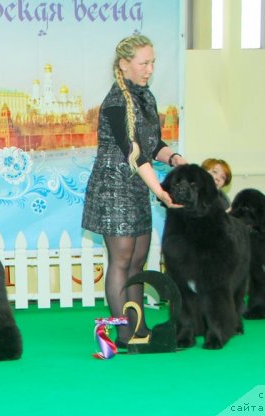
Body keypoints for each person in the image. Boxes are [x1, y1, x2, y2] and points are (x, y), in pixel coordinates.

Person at [81, 34, 187, 347]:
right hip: (114, 188)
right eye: (143, 63)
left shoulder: (147, 97)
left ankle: (139, 327)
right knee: (122, 260)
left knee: (138, 260)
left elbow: (153, 146)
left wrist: (177, 159)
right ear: (124, 65)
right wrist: (161, 192)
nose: (150, 69)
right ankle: (125, 334)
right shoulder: (115, 103)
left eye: (153, 62)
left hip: (138, 186)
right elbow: (134, 153)